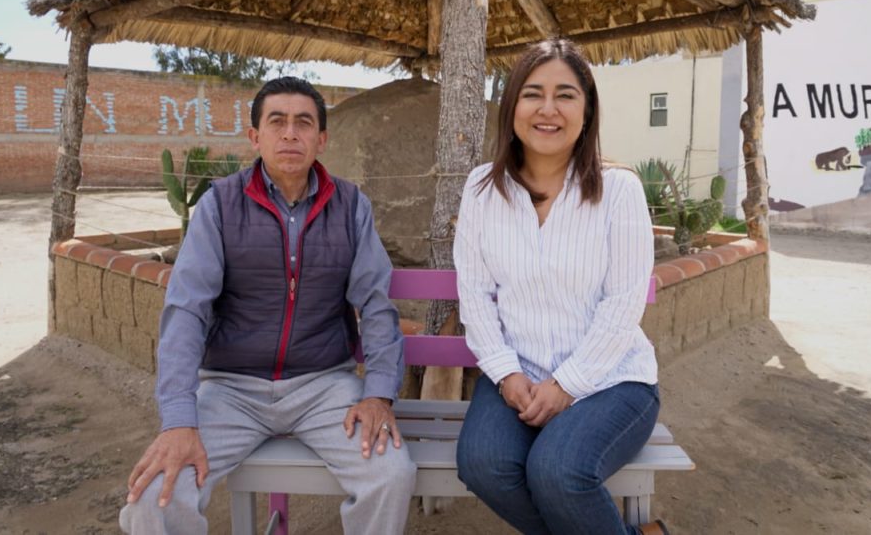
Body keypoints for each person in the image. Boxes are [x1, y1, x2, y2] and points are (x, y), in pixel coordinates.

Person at [120, 76, 416, 534]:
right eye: (277, 122)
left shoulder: (351, 206)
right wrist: (178, 420)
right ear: (255, 136)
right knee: (153, 498)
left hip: (324, 387)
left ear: (322, 139)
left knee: (390, 475)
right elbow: (186, 311)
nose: (290, 133)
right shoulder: (220, 205)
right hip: (230, 390)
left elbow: (376, 306)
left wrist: (377, 394)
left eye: (304, 123)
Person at [453, 39, 669, 535]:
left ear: (587, 110)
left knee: (558, 471)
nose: (547, 109)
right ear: (512, 107)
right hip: (517, 373)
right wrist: (506, 374)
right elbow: (476, 295)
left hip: (613, 379)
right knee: (483, 464)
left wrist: (568, 384)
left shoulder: (619, 190)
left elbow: (623, 304)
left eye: (565, 95)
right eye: (533, 94)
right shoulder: (482, 189)